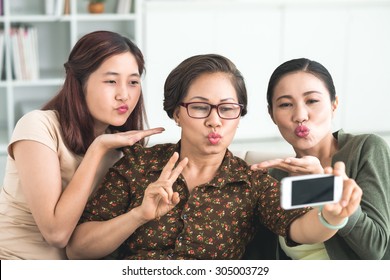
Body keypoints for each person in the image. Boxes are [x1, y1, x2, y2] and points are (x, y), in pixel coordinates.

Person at [66, 54, 362, 260]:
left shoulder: (252, 182)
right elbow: (77, 249)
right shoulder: (138, 165)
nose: (215, 120)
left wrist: (331, 216)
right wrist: (138, 216)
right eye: (199, 107)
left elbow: (300, 228)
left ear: (239, 115)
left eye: (227, 108)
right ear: (176, 113)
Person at [0, 31, 164, 259]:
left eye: (133, 82)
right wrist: (97, 149)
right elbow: (56, 234)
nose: (124, 95)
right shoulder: (38, 126)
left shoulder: (121, 149)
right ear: (79, 83)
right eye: (111, 81)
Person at [250, 58, 390, 259]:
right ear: (271, 114)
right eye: (286, 104)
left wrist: (323, 185)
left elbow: (376, 249)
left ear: (334, 104)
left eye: (312, 101)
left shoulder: (364, 149)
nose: (300, 115)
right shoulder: (275, 177)